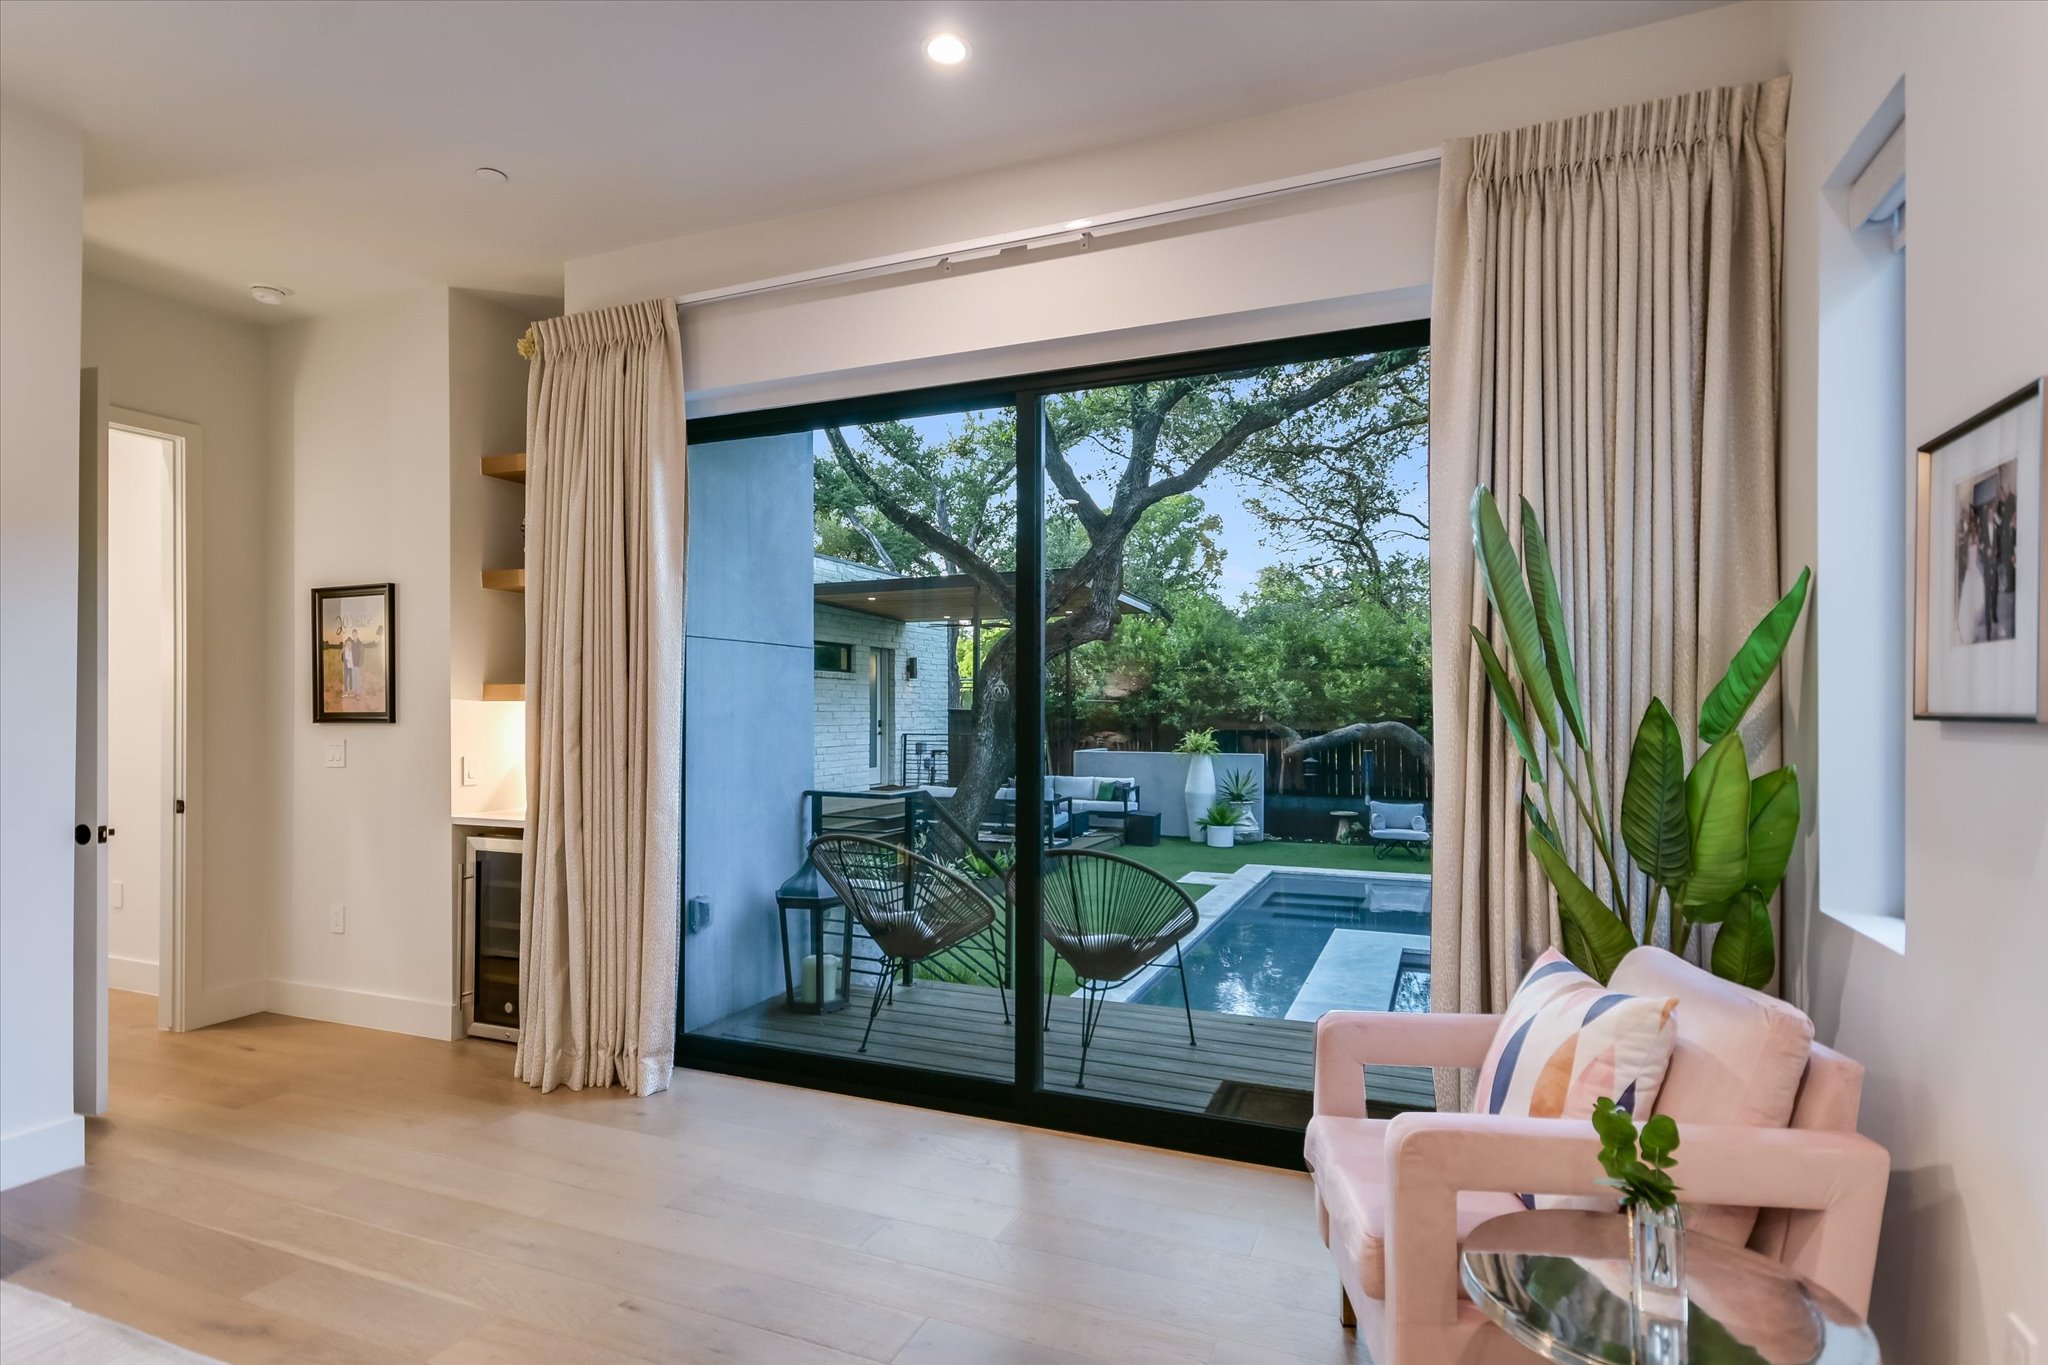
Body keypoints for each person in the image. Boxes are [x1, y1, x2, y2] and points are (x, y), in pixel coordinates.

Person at [1956, 515, 1987, 645]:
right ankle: (1969, 623)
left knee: (1972, 595)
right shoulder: (1973, 537)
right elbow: (1978, 552)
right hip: (1972, 569)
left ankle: (1969, 622)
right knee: (1972, 595)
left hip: (1971, 569)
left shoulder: (1968, 537)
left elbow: (1971, 553)